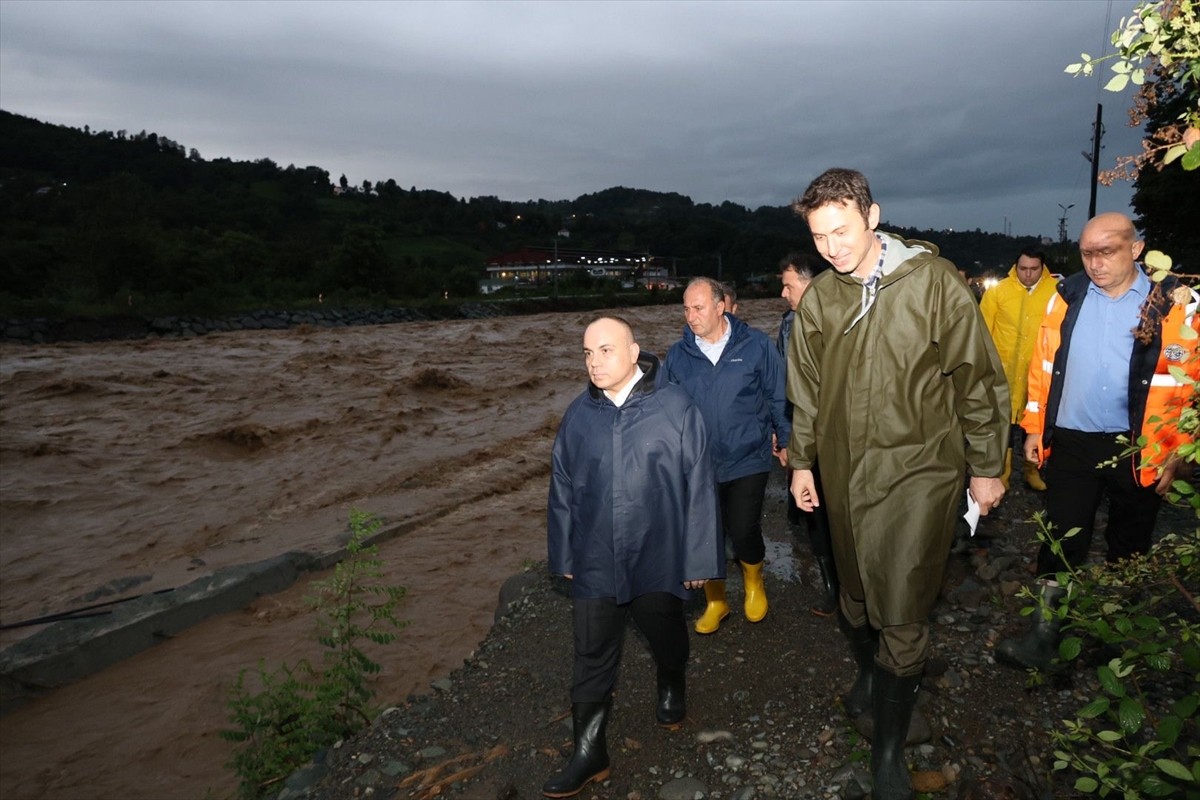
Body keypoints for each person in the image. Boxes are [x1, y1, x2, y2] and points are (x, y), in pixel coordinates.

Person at [785, 168, 1008, 800]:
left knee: (903, 603)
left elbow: (978, 378)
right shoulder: (822, 300)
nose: (832, 246)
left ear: (872, 216)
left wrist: (988, 466)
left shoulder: (934, 284)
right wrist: (803, 461)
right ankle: (873, 677)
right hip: (841, 470)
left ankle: (887, 753)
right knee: (855, 598)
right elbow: (805, 391)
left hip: (920, 471)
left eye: (842, 229)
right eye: (820, 235)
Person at [996, 212, 1198, 672]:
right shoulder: (1065, 297)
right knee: (1061, 538)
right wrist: (1032, 426)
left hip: (1140, 447)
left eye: (1106, 251)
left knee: (1130, 541)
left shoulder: (1175, 304)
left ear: (1137, 248)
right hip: (1071, 442)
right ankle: (1046, 635)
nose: (1095, 262)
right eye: (1087, 252)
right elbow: (1042, 367)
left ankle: (1119, 641)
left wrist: (1179, 451)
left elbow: (1192, 386)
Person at [545, 316, 724, 798]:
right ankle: (588, 752)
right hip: (596, 558)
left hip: (657, 554)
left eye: (605, 350)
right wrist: (564, 550)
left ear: (633, 352)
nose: (594, 362)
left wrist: (698, 561)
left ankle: (671, 678)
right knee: (591, 651)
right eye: (587, 353)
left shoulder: (675, 407)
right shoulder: (579, 415)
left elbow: (700, 485)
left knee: (663, 631)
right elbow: (561, 485)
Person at [666, 277, 789, 633]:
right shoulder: (678, 355)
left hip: (748, 456)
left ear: (721, 306)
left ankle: (753, 583)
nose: (691, 316)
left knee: (743, 527)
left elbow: (777, 396)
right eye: (686, 308)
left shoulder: (755, 346)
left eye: (699, 307)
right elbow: (666, 411)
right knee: (707, 534)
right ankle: (716, 602)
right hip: (698, 464)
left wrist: (787, 439)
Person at [778, 252, 838, 616]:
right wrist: (783, 431)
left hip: (836, 434)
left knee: (839, 512)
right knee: (815, 514)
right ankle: (833, 588)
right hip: (803, 429)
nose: (783, 293)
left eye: (788, 285)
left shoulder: (840, 319)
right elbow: (783, 382)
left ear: (810, 282)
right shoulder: (788, 324)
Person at [979, 247, 1060, 491]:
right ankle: (1001, 474)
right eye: (1022, 269)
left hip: (1037, 374)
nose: (1027, 274)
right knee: (1002, 425)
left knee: (1033, 424)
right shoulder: (999, 292)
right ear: (1016, 267)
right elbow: (982, 330)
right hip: (1002, 372)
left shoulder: (1055, 294)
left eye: (1033, 269)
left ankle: (1031, 470)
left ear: (1042, 268)